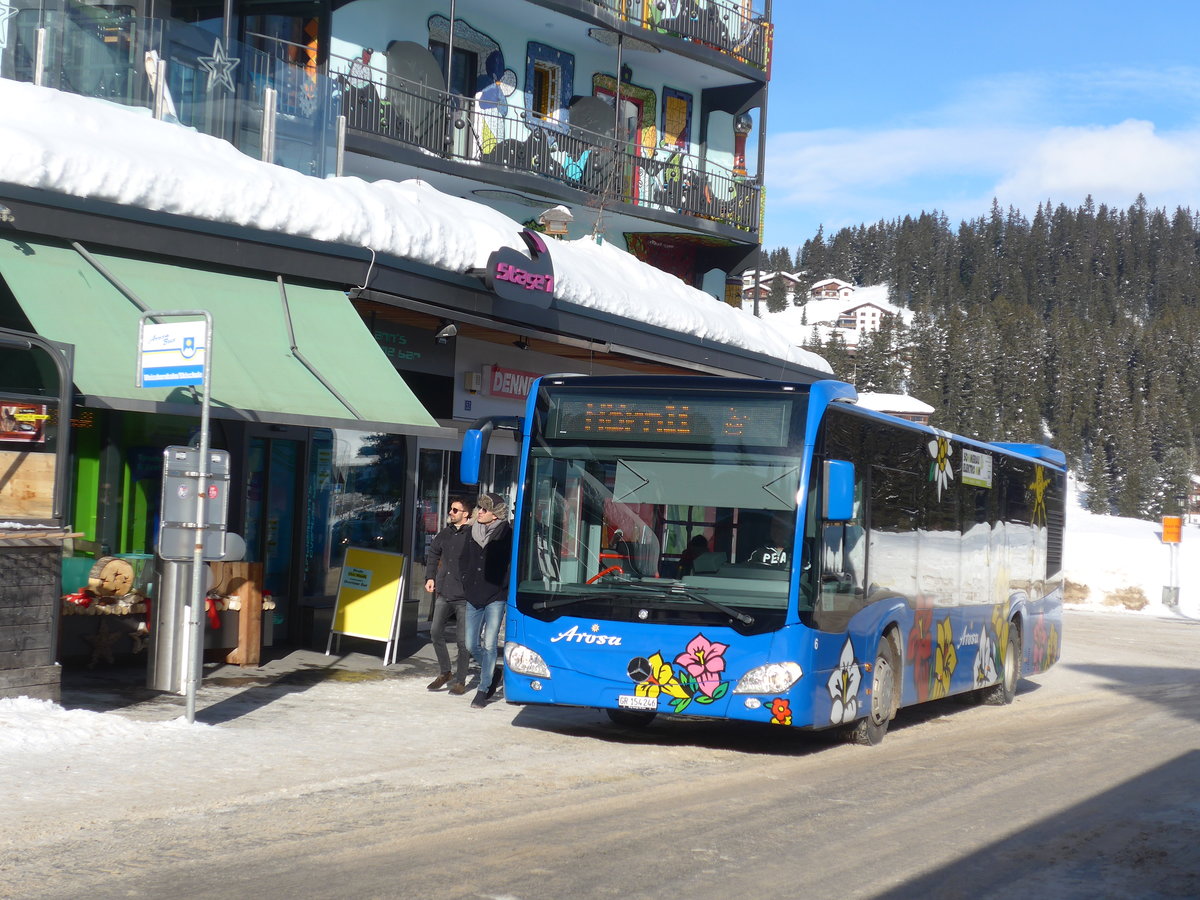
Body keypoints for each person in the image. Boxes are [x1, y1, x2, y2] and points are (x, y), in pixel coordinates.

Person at [459, 491, 512, 709]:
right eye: (479, 508)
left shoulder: (507, 534)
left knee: (490, 644)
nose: (479, 512)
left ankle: (483, 689)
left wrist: (502, 587)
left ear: (496, 515)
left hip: (495, 596)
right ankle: (493, 671)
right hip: (473, 595)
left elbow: (510, 564)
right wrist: (466, 581)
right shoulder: (472, 531)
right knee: (471, 643)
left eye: (484, 509)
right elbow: (464, 559)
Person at [423, 496, 473, 694]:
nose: (450, 513)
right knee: (435, 633)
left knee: (462, 641)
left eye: (455, 510)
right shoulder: (445, 533)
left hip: (464, 596)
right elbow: (434, 554)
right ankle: (445, 672)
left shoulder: (473, 534)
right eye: (450, 509)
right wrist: (430, 577)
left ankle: (460, 680)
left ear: (465, 514)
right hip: (444, 591)